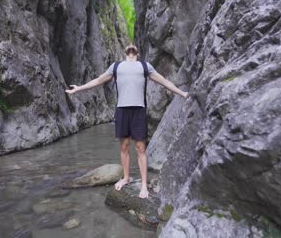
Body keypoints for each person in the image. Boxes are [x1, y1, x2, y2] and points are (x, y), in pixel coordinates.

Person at [65, 44, 188, 198]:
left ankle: (143, 185)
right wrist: (78, 89)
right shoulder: (116, 67)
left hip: (139, 111)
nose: (131, 46)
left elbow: (164, 81)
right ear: (125, 51)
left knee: (140, 148)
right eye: (128, 45)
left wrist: (182, 93)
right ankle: (126, 178)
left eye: (133, 45)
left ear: (138, 52)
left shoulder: (145, 66)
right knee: (124, 147)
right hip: (122, 111)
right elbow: (98, 80)